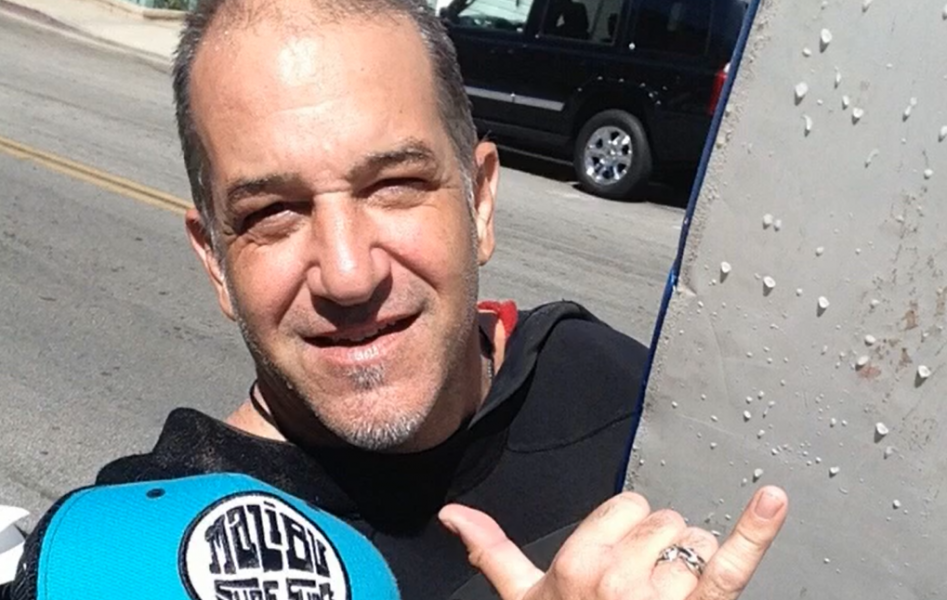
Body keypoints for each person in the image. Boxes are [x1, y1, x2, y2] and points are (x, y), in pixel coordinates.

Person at [93, 0, 789, 598]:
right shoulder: (133, 556)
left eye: (394, 185)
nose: (348, 275)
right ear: (215, 261)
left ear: (479, 202)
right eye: (272, 212)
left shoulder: (608, 383)